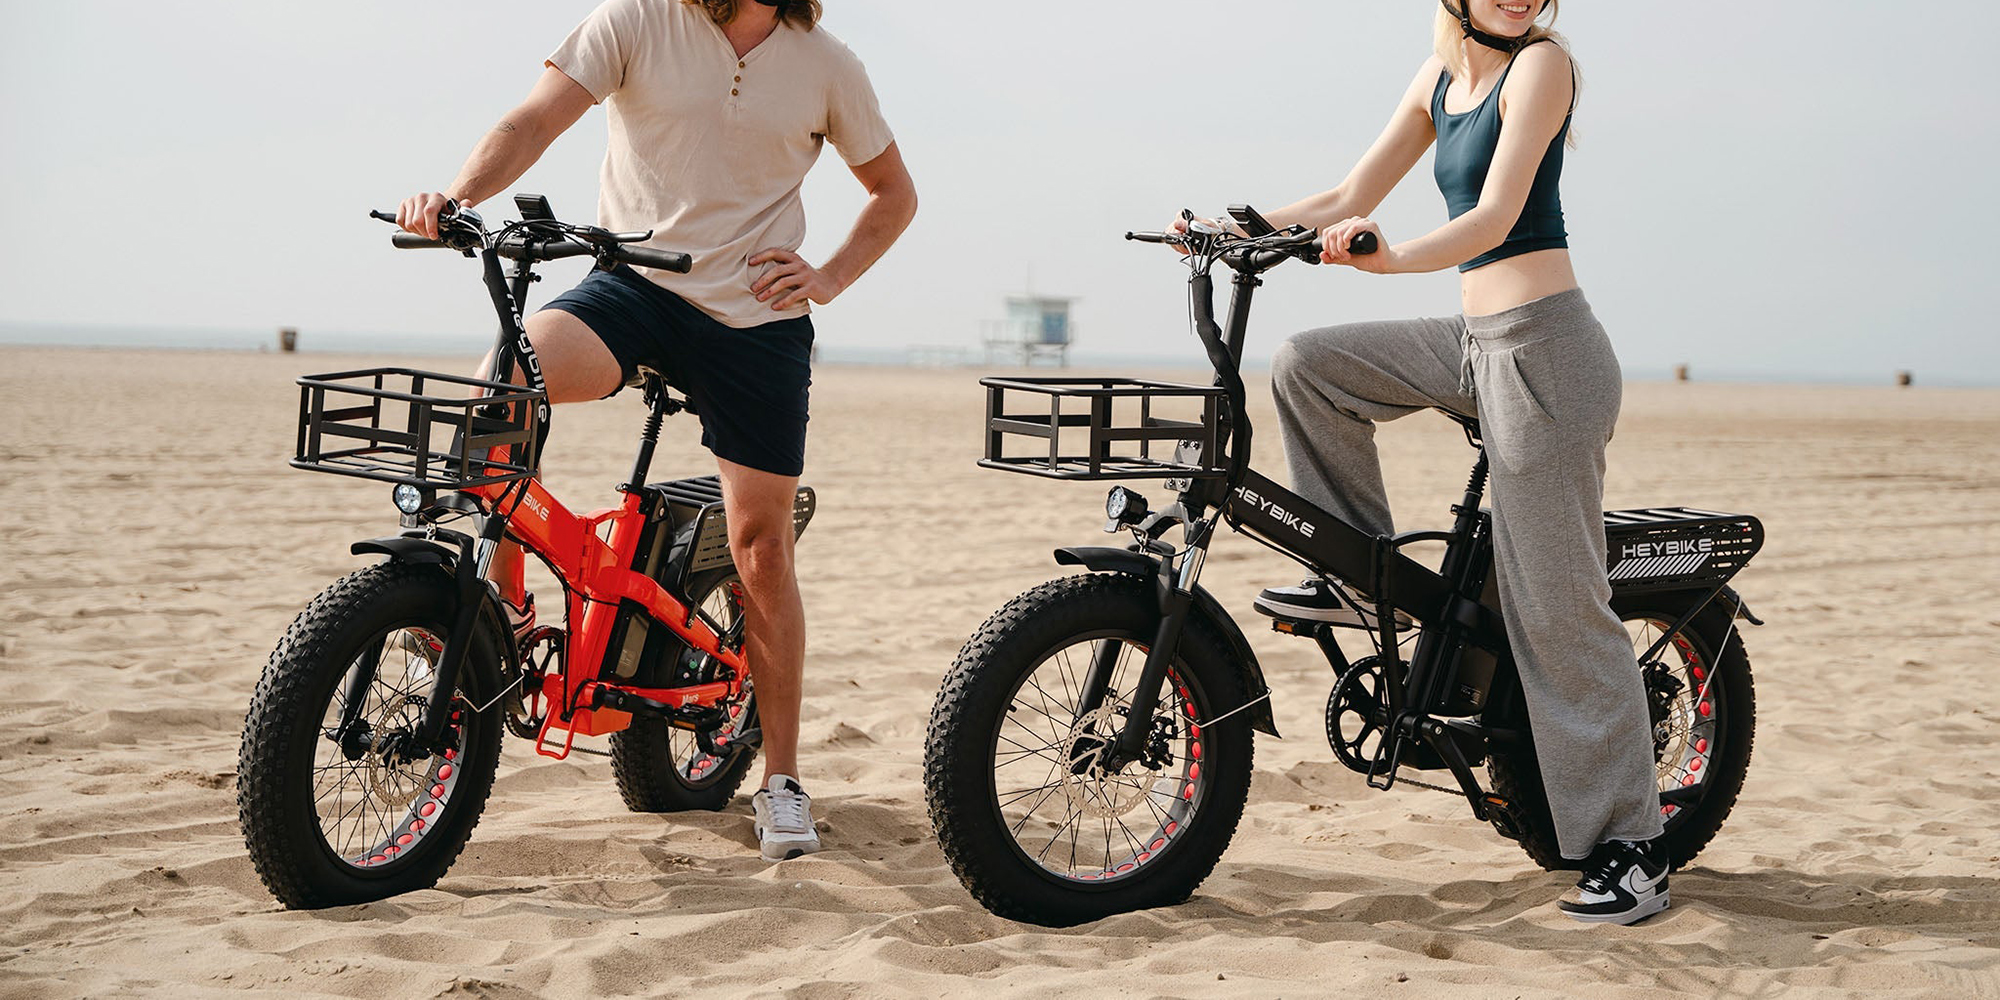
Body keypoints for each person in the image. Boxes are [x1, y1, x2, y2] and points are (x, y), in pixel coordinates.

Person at [1176, 0, 1667, 924]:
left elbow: (1495, 214)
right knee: (1311, 365)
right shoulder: (1440, 74)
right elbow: (1345, 193)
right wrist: (1227, 227)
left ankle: (1635, 847)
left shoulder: (1542, 67)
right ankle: (1358, 575)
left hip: (1546, 351)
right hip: (1472, 339)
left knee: (1555, 603)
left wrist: (1391, 258)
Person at [395, 0, 916, 862]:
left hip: (756, 319)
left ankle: (780, 781)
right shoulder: (636, 20)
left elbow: (893, 193)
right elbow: (533, 119)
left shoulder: (827, 63)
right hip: (630, 292)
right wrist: (455, 196)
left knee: (762, 548)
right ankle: (509, 611)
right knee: (502, 392)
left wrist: (825, 277)